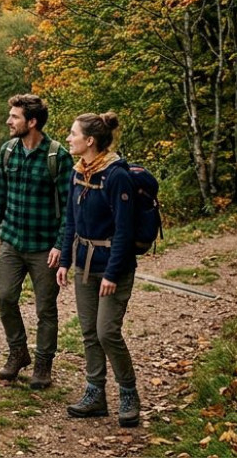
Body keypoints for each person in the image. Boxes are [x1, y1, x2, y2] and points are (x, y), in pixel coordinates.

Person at [56, 112, 141, 428]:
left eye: (73, 133)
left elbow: (125, 231)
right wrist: (65, 261)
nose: (69, 138)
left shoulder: (116, 176)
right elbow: (71, 221)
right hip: (84, 265)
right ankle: (95, 394)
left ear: (90, 140)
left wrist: (112, 274)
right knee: (89, 332)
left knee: (107, 332)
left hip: (112, 267)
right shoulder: (77, 172)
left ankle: (129, 393)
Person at [0, 94, 73, 389]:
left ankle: (43, 364)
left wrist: (60, 244)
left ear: (32, 122)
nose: (8, 121)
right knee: (4, 297)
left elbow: (69, 207)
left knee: (45, 309)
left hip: (45, 247)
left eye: (14, 117)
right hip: (11, 241)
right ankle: (18, 352)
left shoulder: (58, 157)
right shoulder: (8, 151)